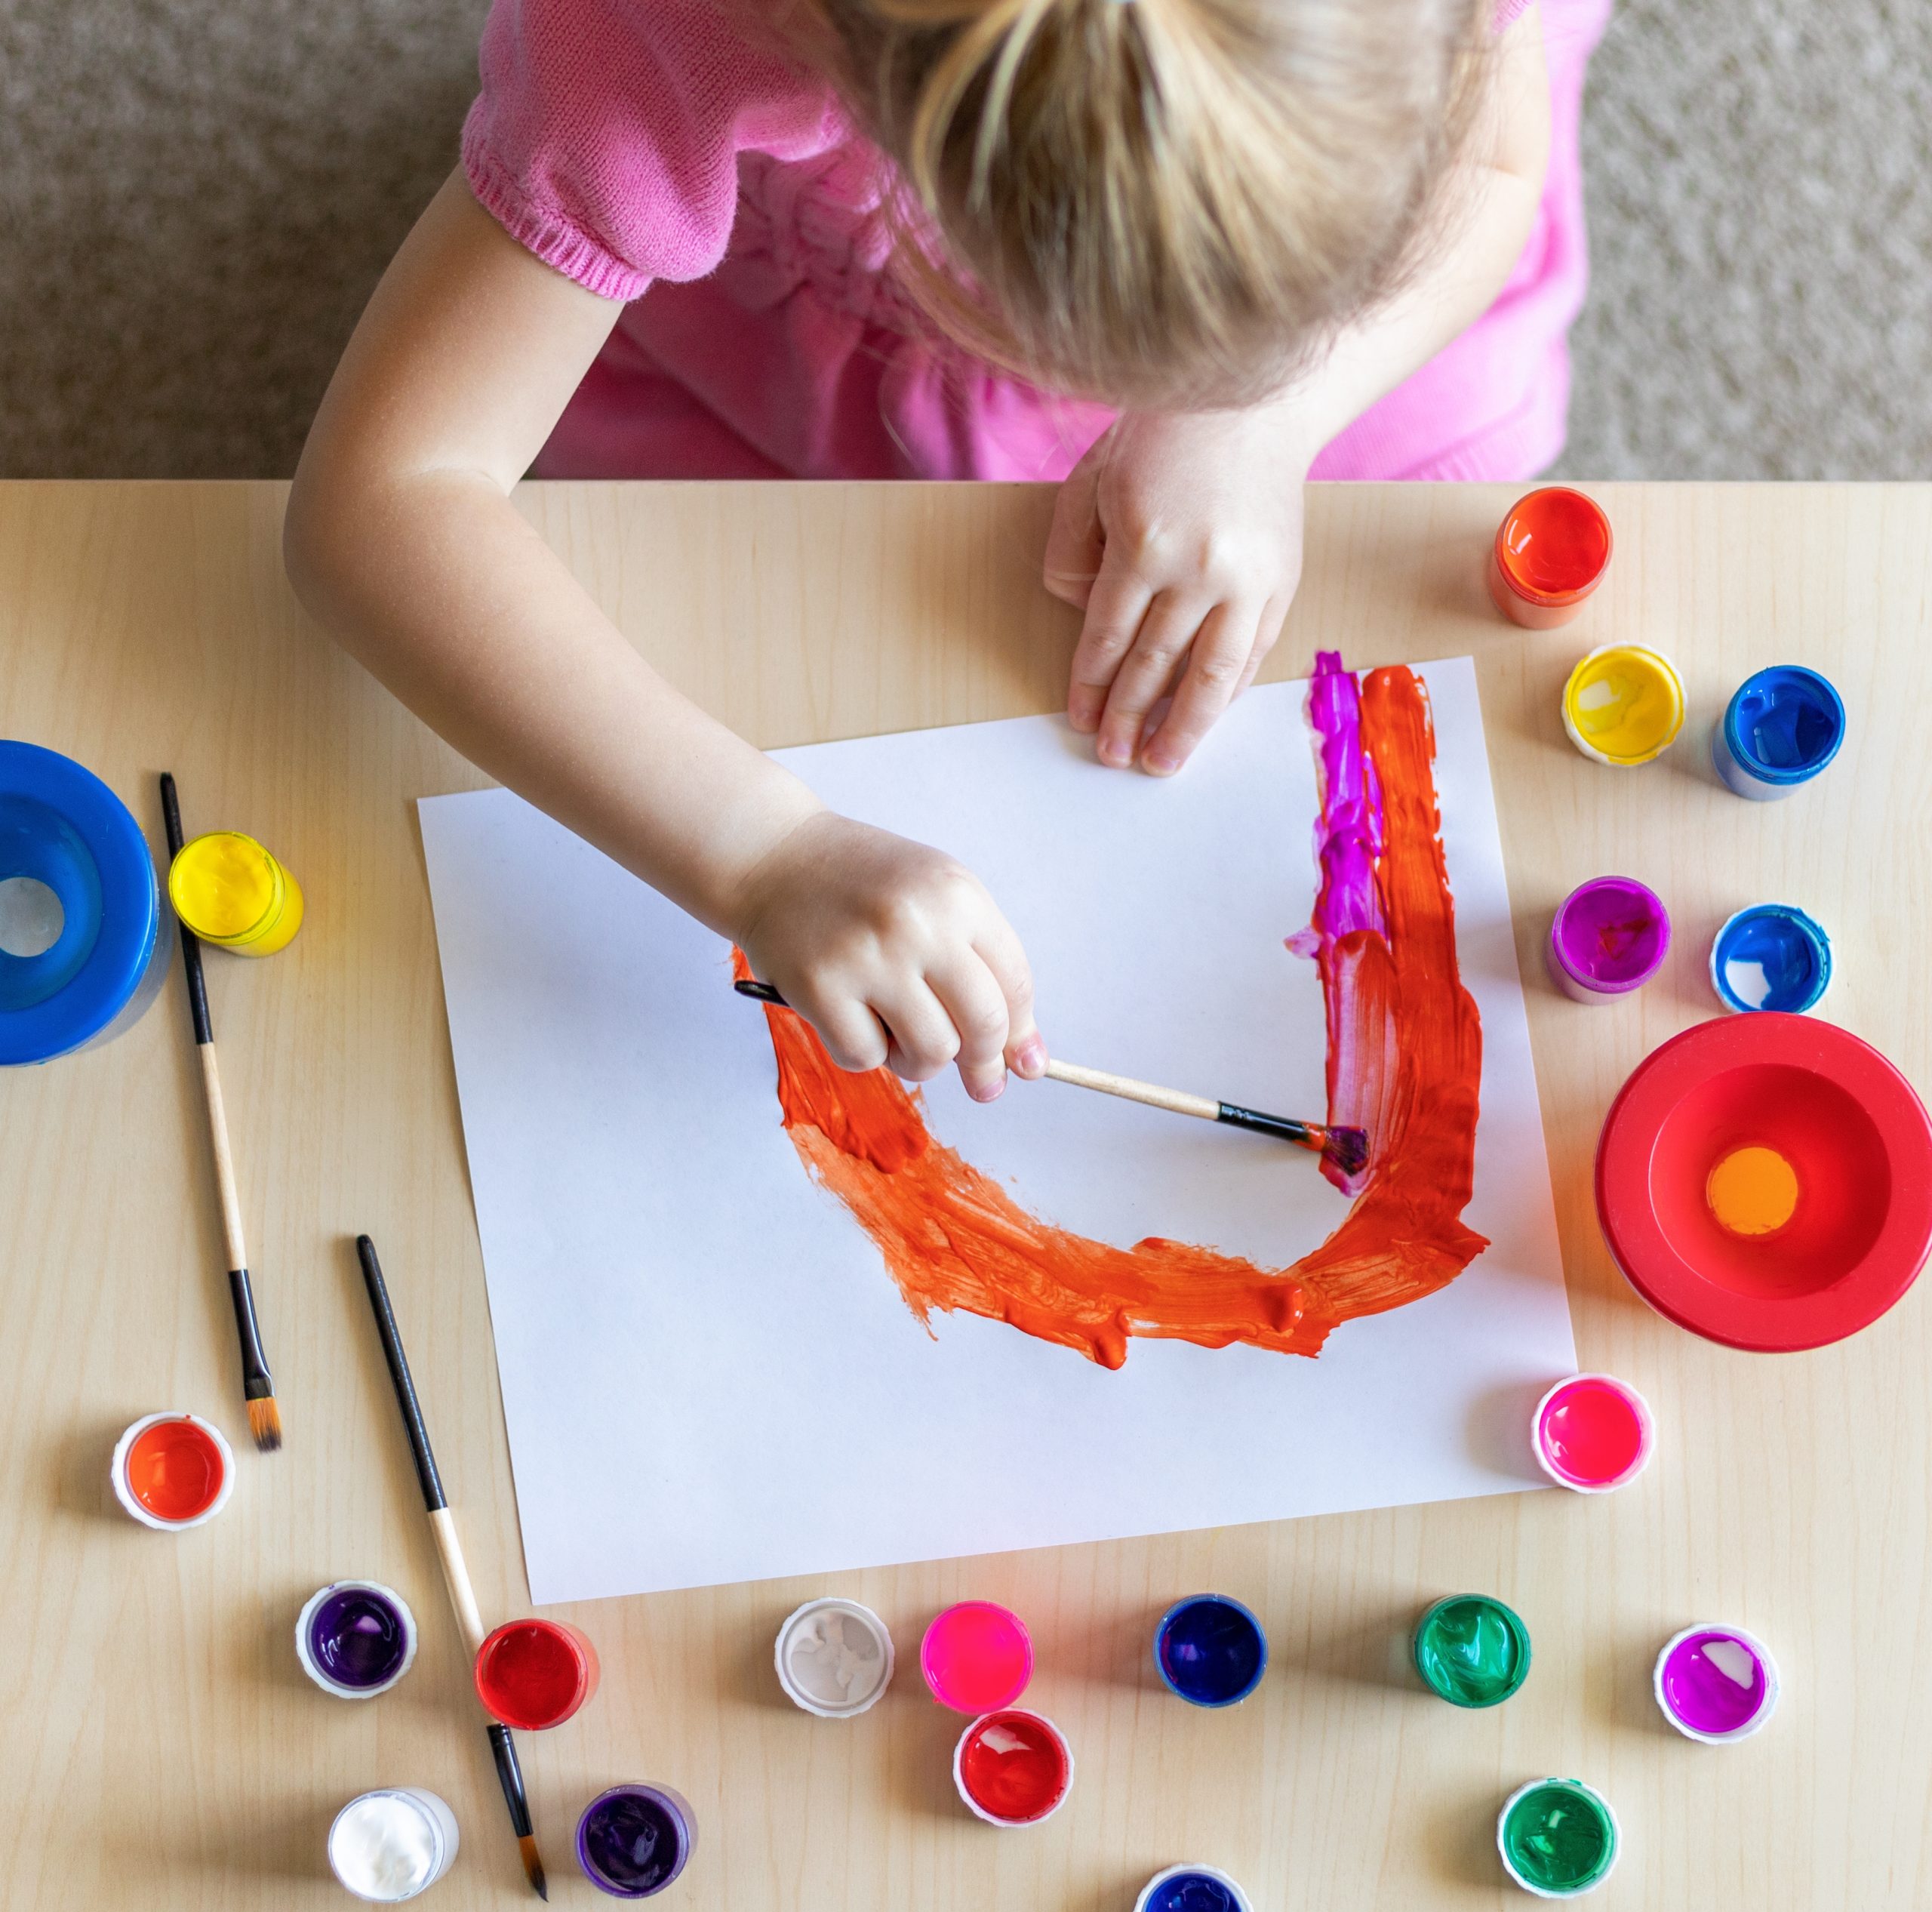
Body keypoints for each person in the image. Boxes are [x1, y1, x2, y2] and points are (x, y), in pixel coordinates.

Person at [286, 0, 1605, 1105]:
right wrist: (762, 855)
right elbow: (385, 501)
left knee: (1433, 497)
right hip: (787, 345)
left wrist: (1267, 416)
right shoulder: (671, 40)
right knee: (698, 585)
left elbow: (1490, 175)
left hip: (1271, 353)